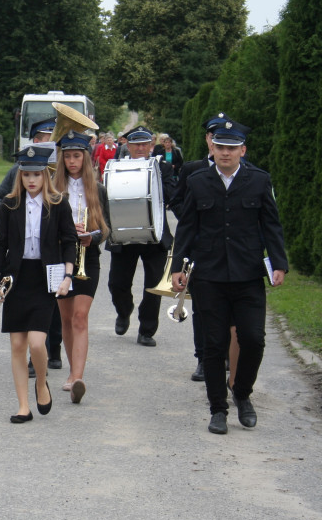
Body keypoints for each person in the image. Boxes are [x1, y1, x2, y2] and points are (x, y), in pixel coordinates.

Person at [171, 119, 287, 435]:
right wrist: (177, 269)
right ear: (213, 148)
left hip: (248, 274)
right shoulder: (198, 182)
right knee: (214, 344)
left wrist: (279, 263)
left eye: (232, 148)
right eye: (220, 147)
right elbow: (187, 229)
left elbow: (271, 226)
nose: (225, 153)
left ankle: (242, 392)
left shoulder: (259, 181)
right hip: (209, 276)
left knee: (253, 339)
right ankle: (218, 409)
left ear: (242, 151)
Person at [0, 146, 77, 423]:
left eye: (36, 174)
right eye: (26, 174)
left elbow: (70, 241)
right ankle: (23, 406)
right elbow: (0, 243)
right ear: (20, 175)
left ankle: (41, 382)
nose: (31, 180)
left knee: (38, 343)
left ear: (45, 175)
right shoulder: (9, 204)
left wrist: (67, 276)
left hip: (45, 277)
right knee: (17, 344)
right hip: (15, 277)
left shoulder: (58, 203)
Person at [0, 116, 63, 374]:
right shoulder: (18, 172)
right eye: (47, 137)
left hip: (50, 265)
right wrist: (11, 218)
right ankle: (38, 362)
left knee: (49, 319)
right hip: (20, 270)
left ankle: (50, 352)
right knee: (22, 337)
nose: (52, 142)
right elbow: (0, 201)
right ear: (35, 140)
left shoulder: (63, 167)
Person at [170, 113, 231, 381]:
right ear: (208, 140)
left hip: (231, 251)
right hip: (199, 249)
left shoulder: (240, 169)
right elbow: (176, 201)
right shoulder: (193, 169)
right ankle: (203, 358)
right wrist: (195, 220)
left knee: (232, 307)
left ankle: (228, 355)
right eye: (213, 136)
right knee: (202, 307)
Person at [52, 131, 110, 404]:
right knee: (65, 319)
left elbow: (108, 228)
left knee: (80, 317)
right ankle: (70, 371)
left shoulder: (97, 189)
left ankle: (76, 377)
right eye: (67, 156)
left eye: (77, 156)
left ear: (85, 158)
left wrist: (92, 235)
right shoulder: (52, 190)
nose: (72, 161)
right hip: (61, 257)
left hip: (89, 256)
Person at [106, 125, 175, 347]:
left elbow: (172, 194)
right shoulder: (116, 167)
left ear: (152, 145)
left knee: (154, 285)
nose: (141, 148)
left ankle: (146, 330)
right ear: (127, 145)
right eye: (136, 144)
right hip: (123, 232)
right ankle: (124, 311)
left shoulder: (162, 168)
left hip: (154, 235)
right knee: (117, 284)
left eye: (145, 144)